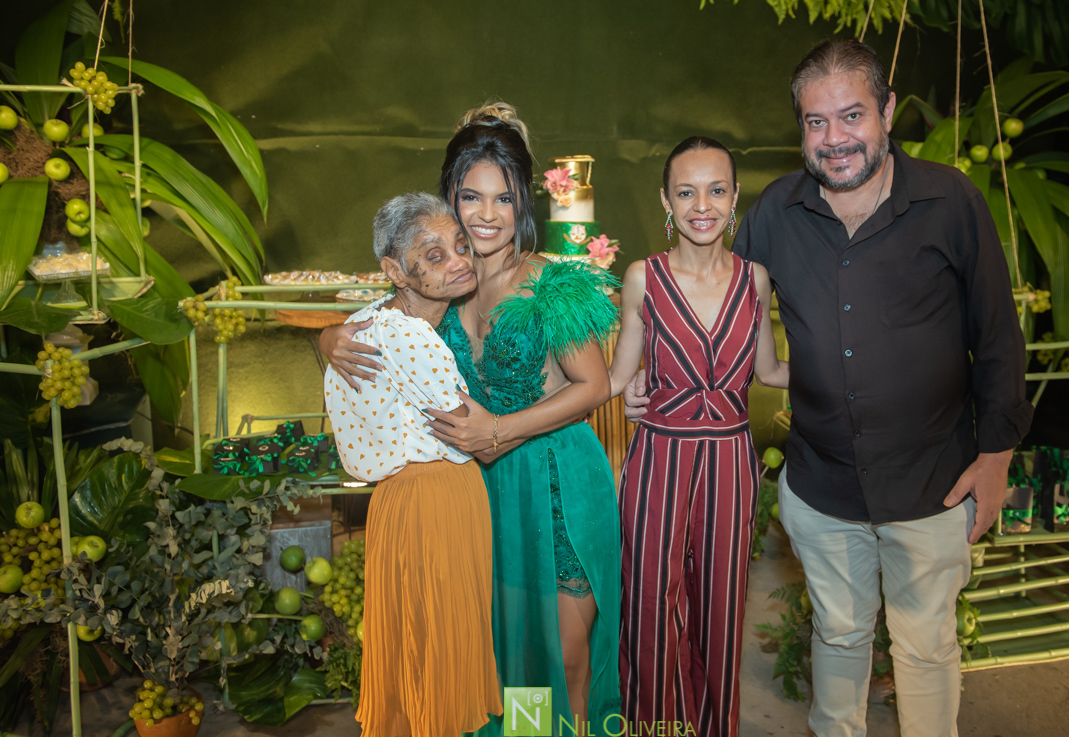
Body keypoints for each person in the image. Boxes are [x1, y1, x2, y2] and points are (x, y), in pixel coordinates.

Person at [625, 40, 1033, 737]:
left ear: (888, 112)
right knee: (838, 639)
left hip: (932, 480)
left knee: (927, 648)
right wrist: (644, 369)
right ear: (800, 130)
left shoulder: (950, 201)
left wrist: (995, 460)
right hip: (822, 487)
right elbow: (710, 291)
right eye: (816, 122)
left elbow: (998, 337)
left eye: (852, 116)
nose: (835, 138)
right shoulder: (776, 215)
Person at [321, 103, 622, 732]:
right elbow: (370, 325)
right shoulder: (437, 290)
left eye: (503, 199)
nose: (487, 215)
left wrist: (500, 430)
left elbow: (594, 386)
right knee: (504, 661)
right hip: (480, 494)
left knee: (562, 655)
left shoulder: (550, 285)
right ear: (448, 202)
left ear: (523, 206)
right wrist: (325, 339)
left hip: (555, 481)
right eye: (470, 197)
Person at [606, 137, 787, 736]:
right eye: (686, 191)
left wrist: (856, 363)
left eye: (716, 190)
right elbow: (614, 379)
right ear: (666, 199)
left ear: (736, 197)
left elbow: (770, 372)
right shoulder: (642, 278)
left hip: (732, 463)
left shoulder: (755, 281)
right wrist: (624, 390)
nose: (701, 205)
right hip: (657, 458)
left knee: (721, 610)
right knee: (649, 607)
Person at [324, 192, 502, 737]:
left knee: (412, 648)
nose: (457, 261)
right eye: (433, 255)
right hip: (438, 502)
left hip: (396, 504)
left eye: (458, 245)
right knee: (439, 650)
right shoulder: (414, 337)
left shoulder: (361, 323)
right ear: (395, 271)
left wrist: (322, 336)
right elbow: (480, 438)